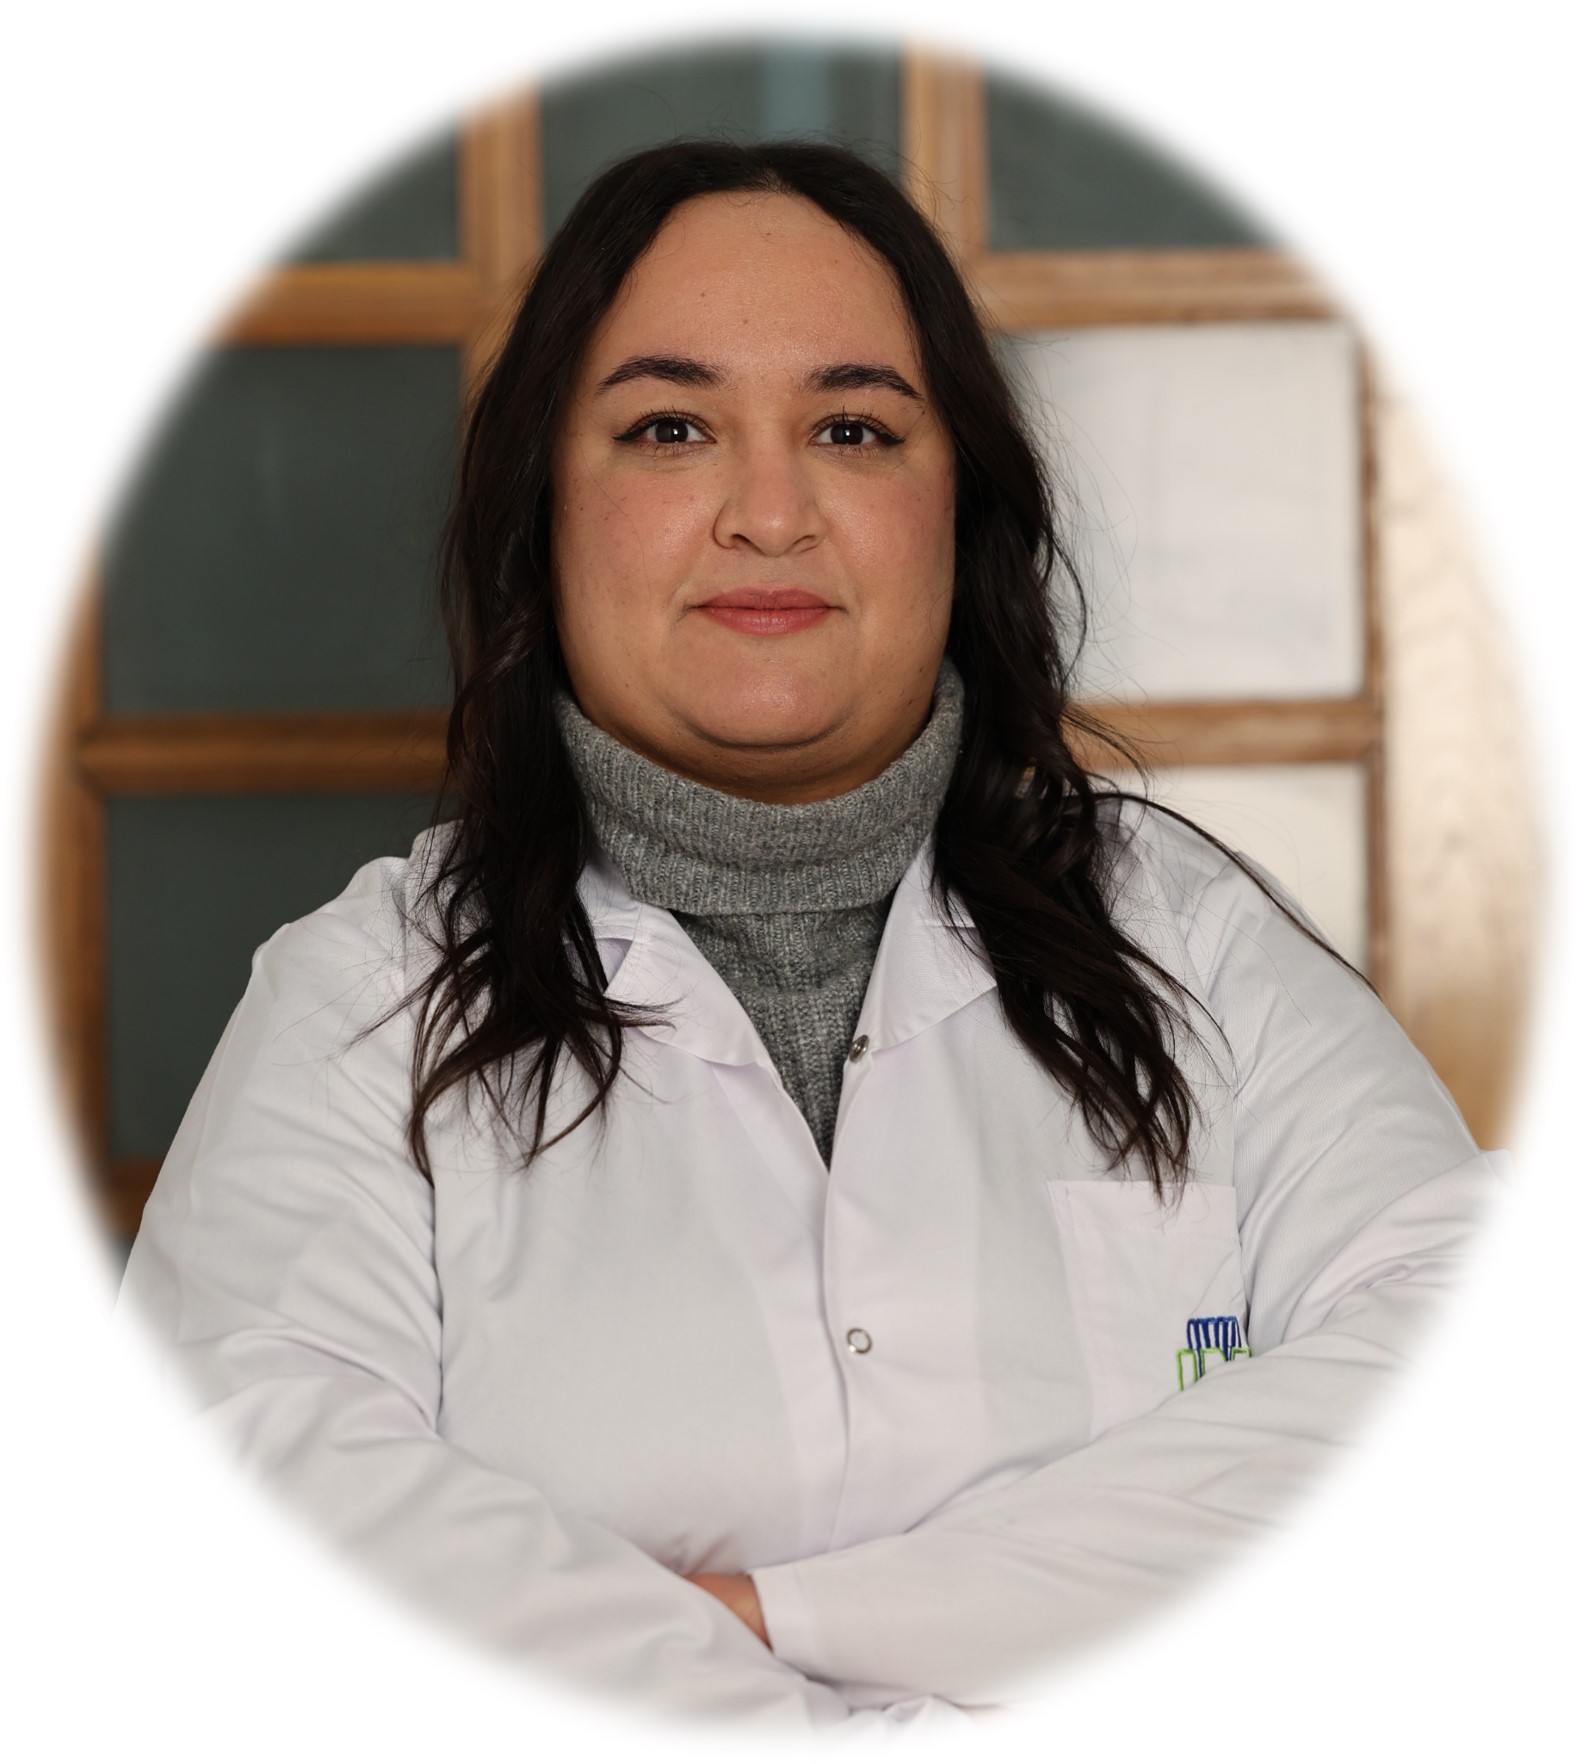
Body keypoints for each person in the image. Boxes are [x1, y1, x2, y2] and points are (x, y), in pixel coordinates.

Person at [116, 139, 1505, 1733]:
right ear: (544, 512)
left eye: (853, 429)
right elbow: (267, 1533)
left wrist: (796, 1617)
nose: (769, 514)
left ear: (959, 507)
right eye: (669, 428)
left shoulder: (1191, 944)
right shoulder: (361, 1006)